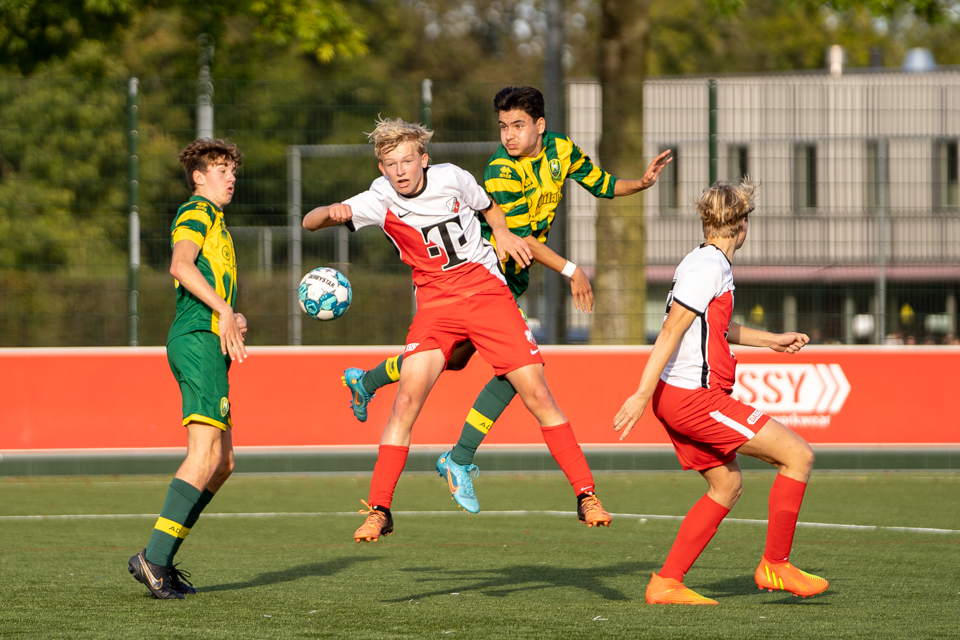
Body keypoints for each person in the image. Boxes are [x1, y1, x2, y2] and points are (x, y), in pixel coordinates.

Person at [342, 86, 673, 513]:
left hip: (508, 279)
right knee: (514, 375)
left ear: (540, 126)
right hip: (484, 274)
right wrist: (571, 270)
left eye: (517, 126)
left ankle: (369, 384)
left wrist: (642, 184)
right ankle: (458, 457)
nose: (508, 136)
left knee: (465, 362)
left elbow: (602, 184)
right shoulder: (501, 170)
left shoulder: (562, 150)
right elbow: (520, 239)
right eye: (502, 127)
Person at [303, 117, 614, 542]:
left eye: (407, 160)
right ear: (381, 169)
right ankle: (380, 509)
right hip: (436, 307)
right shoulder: (379, 198)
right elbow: (310, 221)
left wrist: (502, 233)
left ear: (423, 159)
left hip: (487, 294)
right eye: (390, 163)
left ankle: (585, 495)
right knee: (407, 401)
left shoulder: (453, 178)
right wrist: (330, 214)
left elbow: (488, 208)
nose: (400, 170)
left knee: (536, 393)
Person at [613, 180, 828, 605]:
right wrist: (640, 393)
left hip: (680, 397)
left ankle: (666, 583)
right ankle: (775, 565)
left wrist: (771, 340)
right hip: (694, 398)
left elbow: (715, 326)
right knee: (799, 455)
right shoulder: (708, 266)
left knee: (725, 485)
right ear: (742, 224)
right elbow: (672, 329)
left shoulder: (704, 262)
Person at [128, 139, 248, 599]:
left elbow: (201, 280)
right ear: (198, 177)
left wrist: (231, 313)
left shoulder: (216, 222)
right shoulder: (196, 211)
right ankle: (154, 559)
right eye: (220, 170)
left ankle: (161, 558)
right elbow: (179, 265)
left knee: (223, 464)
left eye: (232, 170)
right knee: (204, 456)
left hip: (206, 340)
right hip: (196, 340)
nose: (230, 177)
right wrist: (221, 309)